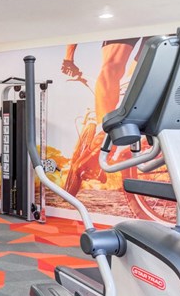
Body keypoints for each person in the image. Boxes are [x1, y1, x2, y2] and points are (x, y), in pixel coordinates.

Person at [60, 37, 141, 194]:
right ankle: (102, 134)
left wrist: (68, 59)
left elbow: (74, 25)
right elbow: (75, 23)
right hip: (129, 21)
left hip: (151, 23)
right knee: (114, 65)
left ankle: (106, 136)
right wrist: (68, 58)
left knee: (136, 71)